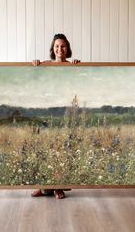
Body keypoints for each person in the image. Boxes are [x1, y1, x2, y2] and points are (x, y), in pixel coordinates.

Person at [31, 33, 80, 199]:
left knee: (61, 148)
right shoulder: (45, 66)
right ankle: (45, 188)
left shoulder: (72, 66)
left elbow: (77, 85)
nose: (60, 49)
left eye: (63, 46)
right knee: (45, 148)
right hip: (48, 110)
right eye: (57, 46)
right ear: (52, 49)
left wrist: (77, 66)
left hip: (65, 111)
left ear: (68, 48)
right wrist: (35, 64)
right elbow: (37, 83)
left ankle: (58, 187)